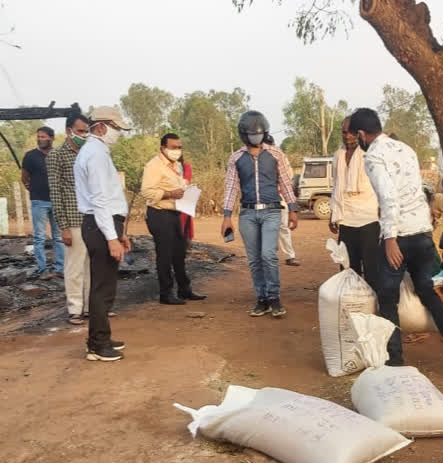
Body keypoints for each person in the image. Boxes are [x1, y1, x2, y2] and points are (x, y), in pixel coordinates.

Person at [349, 107, 443, 367]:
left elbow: (388, 197)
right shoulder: (404, 148)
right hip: (422, 232)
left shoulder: (373, 156)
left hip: (401, 235)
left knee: (387, 298)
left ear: (362, 134)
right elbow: (417, 190)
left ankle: (394, 361)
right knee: (427, 292)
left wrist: (390, 238)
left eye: (355, 136)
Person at [221, 111, 298, 318]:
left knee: (268, 255)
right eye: (251, 135)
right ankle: (261, 299)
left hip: (272, 210)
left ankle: (274, 297)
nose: (255, 139)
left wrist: (292, 209)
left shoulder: (276, 155)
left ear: (264, 133)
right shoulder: (236, 158)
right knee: (254, 259)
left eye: (258, 135)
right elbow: (231, 188)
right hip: (247, 213)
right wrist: (227, 216)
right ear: (243, 135)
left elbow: (284, 183)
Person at [73, 106, 132, 362]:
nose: (118, 133)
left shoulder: (97, 152)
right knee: (102, 287)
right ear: (101, 127)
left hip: (104, 224)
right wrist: (111, 237)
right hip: (100, 226)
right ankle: (97, 345)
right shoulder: (95, 154)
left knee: (105, 285)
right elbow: (99, 199)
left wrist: (119, 234)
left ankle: (101, 338)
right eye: (116, 128)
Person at [141, 133, 206, 305]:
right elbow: (146, 192)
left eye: (179, 147)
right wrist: (169, 194)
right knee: (165, 254)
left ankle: (184, 289)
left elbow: (179, 186)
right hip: (159, 213)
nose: (177, 150)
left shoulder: (176, 165)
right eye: (173, 147)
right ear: (163, 148)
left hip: (174, 213)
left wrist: (188, 190)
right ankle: (166, 293)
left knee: (179, 252)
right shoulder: (153, 166)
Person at [47, 114, 91, 325]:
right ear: (68, 130)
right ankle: (75, 308)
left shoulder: (89, 153)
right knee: (75, 266)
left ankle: (93, 306)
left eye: (86, 131)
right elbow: (55, 193)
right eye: (80, 131)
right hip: (73, 219)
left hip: (92, 218)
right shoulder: (56, 156)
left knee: (93, 265)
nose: (84, 135)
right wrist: (63, 227)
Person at [329, 116, 379, 289]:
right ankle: (352, 305)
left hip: (369, 219)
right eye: (344, 132)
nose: (347, 136)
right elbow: (335, 186)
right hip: (345, 219)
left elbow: (381, 187)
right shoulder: (338, 155)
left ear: (359, 133)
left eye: (351, 132)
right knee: (347, 267)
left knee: (372, 268)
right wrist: (333, 214)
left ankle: (373, 306)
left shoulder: (370, 154)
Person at [22, 126, 65, 279]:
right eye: (39, 137)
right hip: (39, 201)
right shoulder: (30, 156)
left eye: (43, 137)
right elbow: (25, 178)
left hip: (57, 201)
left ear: (52, 138)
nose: (40, 139)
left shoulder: (58, 154)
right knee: (39, 236)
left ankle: (60, 268)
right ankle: (42, 269)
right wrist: (34, 190)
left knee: (59, 236)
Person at [278, 196, 300, 267]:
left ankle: (290, 256)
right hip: (259, 202)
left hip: (279, 200)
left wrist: (292, 210)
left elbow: (288, 191)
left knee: (284, 229)